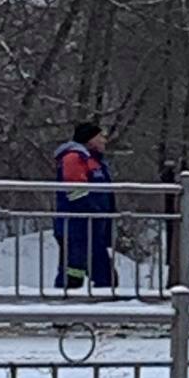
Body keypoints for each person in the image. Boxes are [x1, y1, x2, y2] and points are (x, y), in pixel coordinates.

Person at [53, 122, 115, 290]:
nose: (104, 140)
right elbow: (75, 191)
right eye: (100, 136)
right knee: (76, 270)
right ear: (89, 140)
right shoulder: (75, 157)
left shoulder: (94, 161)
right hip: (78, 225)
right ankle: (64, 304)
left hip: (93, 225)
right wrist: (92, 210)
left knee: (98, 272)